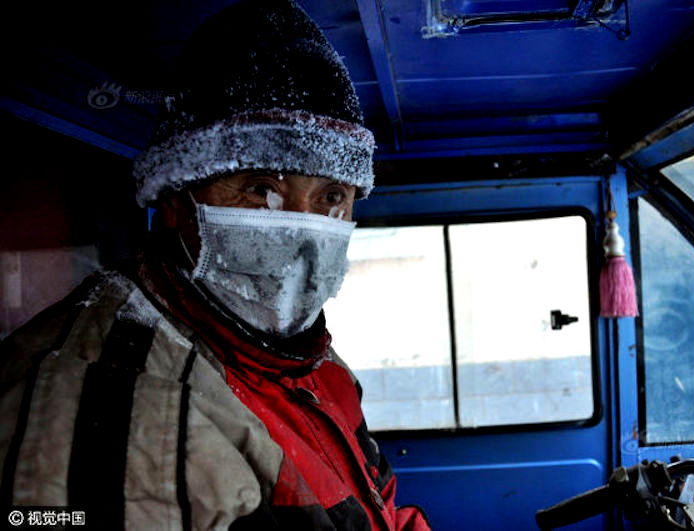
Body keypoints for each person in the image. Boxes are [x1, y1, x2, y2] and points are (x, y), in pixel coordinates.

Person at [0, 1, 431, 529]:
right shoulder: (112, 399)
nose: (301, 231)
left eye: (331, 197)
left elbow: (378, 507)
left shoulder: (312, 361)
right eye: (261, 189)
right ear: (178, 202)